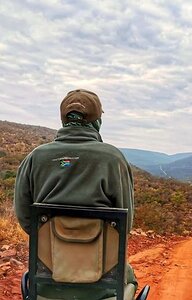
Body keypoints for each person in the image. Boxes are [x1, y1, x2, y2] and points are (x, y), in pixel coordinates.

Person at [14, 89, 137, 300]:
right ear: (97, 121)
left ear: (63, 119)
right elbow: (125, 225)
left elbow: (26, 218)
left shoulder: (35, 158)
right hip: (104, 287)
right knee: (131, 278)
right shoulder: (114, 159)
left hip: (46, 283)